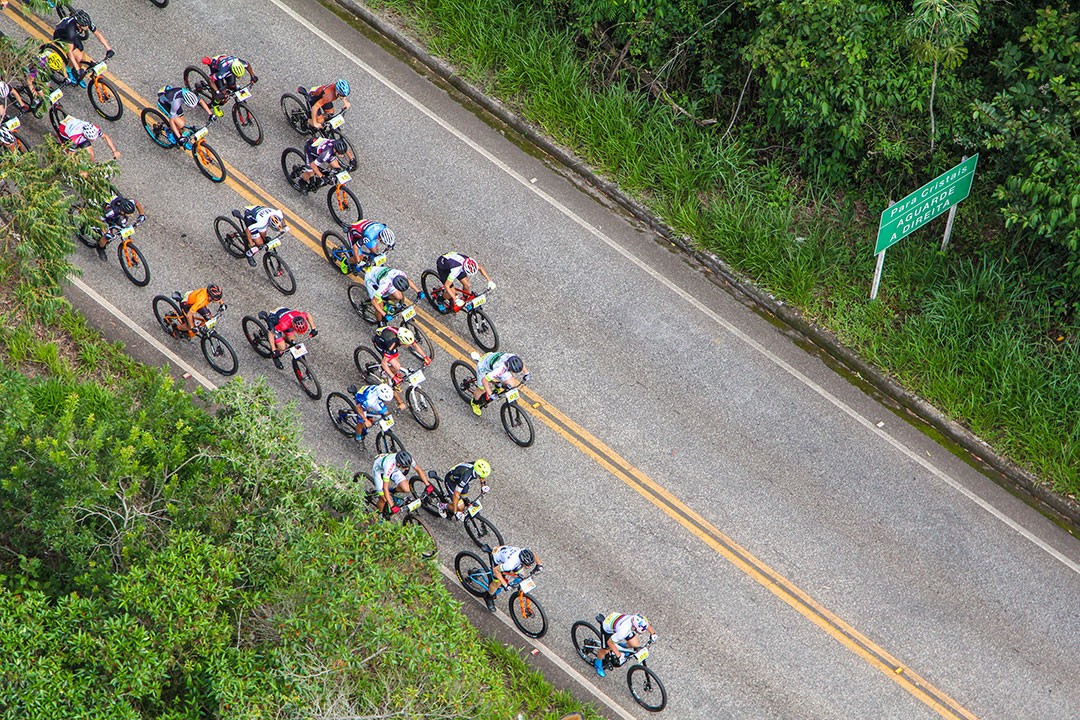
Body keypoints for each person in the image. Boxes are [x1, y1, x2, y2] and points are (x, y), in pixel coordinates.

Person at [372, 324, 430, 408]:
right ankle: (385, 374)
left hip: (389, 336)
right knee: (396, 366)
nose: (409, 345)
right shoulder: (392, 343)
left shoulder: (406, 336)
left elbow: (415, 345)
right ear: (401, 341)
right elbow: (384, 363)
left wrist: (425, 357)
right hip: (381, 343)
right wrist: (393, 377)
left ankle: (391, 370)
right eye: (407, 344)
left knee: (395, 361)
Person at [52, 9, 113, 82]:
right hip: (62, 37)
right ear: (79, 25)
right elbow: (69, 51)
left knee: (82, 58)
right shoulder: (70, 30)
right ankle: (68, 70)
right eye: (85, 26)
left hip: (74, 35)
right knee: (78, 57)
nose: (87, 27)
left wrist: (108, 48)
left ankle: (75, 71)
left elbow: (98, 34)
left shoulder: (86, 22)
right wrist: (78, 69)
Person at [593, 613, 657, 677]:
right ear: (634, 627)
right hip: (607, 628)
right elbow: (610, 642)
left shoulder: (638, 619)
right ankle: (598, 663)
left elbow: (646, 624)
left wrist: (653, 634)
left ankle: (621, 647)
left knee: (635, 644)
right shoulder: (622, 632)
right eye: (638, 631)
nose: (638, 633)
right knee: (605, 650)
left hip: (618, 622)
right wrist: (619, 655)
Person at [484, 545, 542, 612]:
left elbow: (533, 553)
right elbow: (495, 570)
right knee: (497, 582)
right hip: (497, 557)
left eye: (530, 565)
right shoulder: (509, 565)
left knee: (522, 577)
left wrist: (539, 564)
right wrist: (505, 584)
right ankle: (488, 597)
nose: (529, 567)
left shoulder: (525, 551)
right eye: (527, 565)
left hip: (507, 554)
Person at [470, 351, 530, 416]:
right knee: (482, 389)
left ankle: (497, 385)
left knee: (512, 384)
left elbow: (520, 364)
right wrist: (490, 394)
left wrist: (527, 373)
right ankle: (474, 403)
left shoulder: (512, 357)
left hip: (493, 359)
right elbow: (484, 380)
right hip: (483, 367)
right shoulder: (499, 370)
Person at [90, 193, 146, 260]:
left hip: (116, 215)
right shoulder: (111, 212)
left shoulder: (129, 202)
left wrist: (141, 214)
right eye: (129, 214)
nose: (131, 215)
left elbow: (136, 202)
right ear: (122, 212)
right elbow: (100, 221)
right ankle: (100, 248)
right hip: (104, 218)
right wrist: (105, 232)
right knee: (106, 237)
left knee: (122, 222)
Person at [370, 450, 424, 516]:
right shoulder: (388, 466)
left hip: (394, 469)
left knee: (406, 488)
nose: (407, 469)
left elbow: (419, 470)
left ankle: (392, 492)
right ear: (399, 464)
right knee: (383, 499)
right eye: (405, 467)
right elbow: (385, 488)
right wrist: (392, 506)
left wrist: (428, 485)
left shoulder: (408, 458)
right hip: (379, 471)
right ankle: (379, 514)